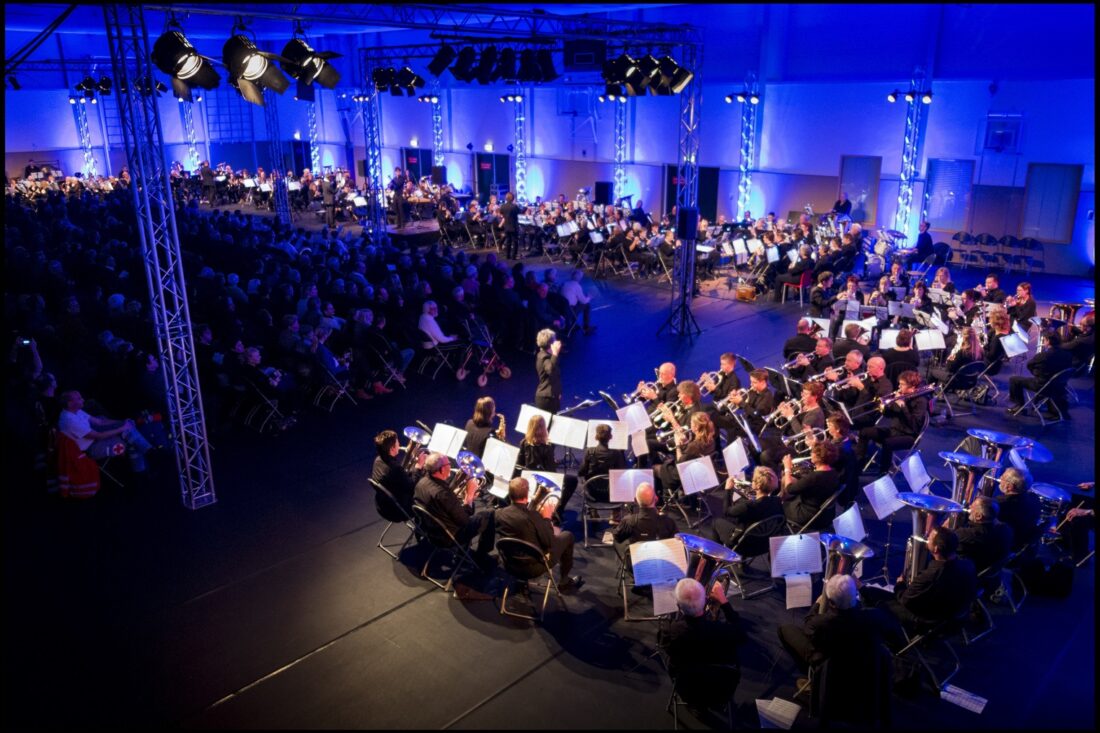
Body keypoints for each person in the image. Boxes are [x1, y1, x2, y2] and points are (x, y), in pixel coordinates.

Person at [778, 574, 903, 680]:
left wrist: (817, 604)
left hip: (831, 667)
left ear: (831, 602)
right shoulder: (873, 616)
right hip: (863, 667)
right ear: (854, 596)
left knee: (785, 630)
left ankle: (813, 679)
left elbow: (807, 627)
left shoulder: (821, 623)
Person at [863, 526, 977, 633]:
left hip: (928, 621)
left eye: (930, 538)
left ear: (936, 549)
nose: (927, 539)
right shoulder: (968, 564)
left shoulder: (930, 576)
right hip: (955, 618)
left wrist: (900, 584)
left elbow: (904, 600)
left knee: (873, 597)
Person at [494, 477, 583, 590]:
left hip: (509, 564)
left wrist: (536, 500)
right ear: (527, 494)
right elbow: (549, 542)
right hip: (533, 567)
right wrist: (546, 518)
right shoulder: (535, 517)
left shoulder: (498, 514)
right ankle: (564, 581)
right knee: (567, 535)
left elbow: (520, 515)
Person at [662, 578, 747, 689]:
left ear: (678, 606)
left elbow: (666, 648)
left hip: (686, 688)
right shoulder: (724, 631)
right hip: (722, 688)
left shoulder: (670, 631)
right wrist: (723, 601)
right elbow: (742, 635)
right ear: (705, 601)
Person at [413, 452, 496, 564]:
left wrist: (456, 495)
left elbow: (444, 501)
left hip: (429, 529)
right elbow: (465, 521)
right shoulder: (442, 494)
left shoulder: (421, 482)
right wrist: (469, 496)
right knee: (489, 514)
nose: (451, 467)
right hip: (447, 537)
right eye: (448, 464)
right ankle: (481, 556)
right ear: (441, 470)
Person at [57, 390, 154, 473]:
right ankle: (144, 466)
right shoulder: (69, 420)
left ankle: (147, 459)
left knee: (128, 431)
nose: (83, 400)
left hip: (95, 440)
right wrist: (122, 428)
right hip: (91, 449)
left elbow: (100, 422)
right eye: (79, 399)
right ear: (70, 403)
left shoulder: (76, 411)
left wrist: (122, 423)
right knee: (129, 441)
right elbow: (98, 436)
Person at [856, 370, 929, 472]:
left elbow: (914, 425)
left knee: (887, 443)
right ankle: (858, 465)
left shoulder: (921, 401)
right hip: (894, 430)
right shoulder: (901, 395)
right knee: (864, 432)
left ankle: (883, 472)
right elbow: (889, 415)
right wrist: (885, 407)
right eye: (899, 384)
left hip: (909, 436)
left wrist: (903, 406)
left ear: (912, 387)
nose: (899, 387)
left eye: (902, 384)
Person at [709, 467, 783, 551]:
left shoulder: (748, 506)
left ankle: (715, 556)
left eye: (753, 480)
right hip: (766, 545)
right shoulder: (777, 501)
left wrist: (728, 490)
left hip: (746, 546)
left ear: (758, 486)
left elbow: (727, 512)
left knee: (716, 522)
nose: (752, 482)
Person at [612, 482, 678, 576]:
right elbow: (675, 546)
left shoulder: (629, 521)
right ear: (656, 499)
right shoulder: (669, 522)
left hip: (636, 567)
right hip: (661, 566)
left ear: (635, 500)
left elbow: (617, 538)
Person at [1007, 330, 1073, 418]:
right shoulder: (1068, 355)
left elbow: (1029, 365)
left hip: (1042, 386)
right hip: (1059, 386)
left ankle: (1019, 405)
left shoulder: (1042, 356)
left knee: (1014, 379)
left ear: (1048, 341)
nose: (1044, 342)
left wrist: (1035, 373)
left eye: (1044, 340)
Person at [780, 441, 840, 531]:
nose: (811, 454)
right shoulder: (834, 472)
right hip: (826, 515)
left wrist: (787, 468)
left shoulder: (814, 477)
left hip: (809, 516)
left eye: (813, 452)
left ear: (818, 457)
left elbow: (789, 489)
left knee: (782, 504)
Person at [955, 497, 1014, 575]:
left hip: (969, 571)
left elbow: (947, 537)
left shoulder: (967, 534)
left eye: (972, 508)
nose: (969, 508)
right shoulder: (1006, 529)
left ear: (979, 516)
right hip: (990, 566)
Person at [371, 429, 420, 519]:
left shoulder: (378, 460)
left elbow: (399, 477)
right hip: (397, 511)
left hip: (382, 503)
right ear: (392, 448)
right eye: (397, 442)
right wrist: (418, 467)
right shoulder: (395, 469)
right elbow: (412, 487)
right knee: (425, 498)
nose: (399, 444)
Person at [995, 467, 1044, 552]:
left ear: (1009, 487)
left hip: (1005, 546)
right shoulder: (1035, 498)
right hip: (1023, 541)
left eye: (1002, 478)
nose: (999, 479)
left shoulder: (1000, 505)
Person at [578, 423, 627, 502]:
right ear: (610, 436)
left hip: (592, 492)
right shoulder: (617, 453)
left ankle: (593, 511)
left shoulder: (590, 451)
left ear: (597, 436)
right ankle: (616, 512)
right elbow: (622, 473)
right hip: (611, 494)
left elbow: (581, 472)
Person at [534, 328, 562, 413]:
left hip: (551, 396)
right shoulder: (544, 357)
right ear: (551, 344)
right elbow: (551, 371)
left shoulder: (546, 355)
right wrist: (555, 353)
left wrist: (558, 392)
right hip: (546, 399)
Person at [560, 269, 595, 334]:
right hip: (570, 309)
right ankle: (586, 327)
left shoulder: (564, 283)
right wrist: (589, 297)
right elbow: (583, 301)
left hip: (562, 308)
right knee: (587, 305)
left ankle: (573, 324)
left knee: (577, 302)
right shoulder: (577, 286)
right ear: (580, 278)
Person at [498, 191, 521, 260]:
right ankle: (514, 256)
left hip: (506, 226)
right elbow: (519, 212)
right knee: (515, 241)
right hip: (514, 226)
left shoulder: (503, 206)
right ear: (513, 199)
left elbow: (501, 213)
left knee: (508, 241)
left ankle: (508, 255)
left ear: (506, 198)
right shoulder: (514, 206)